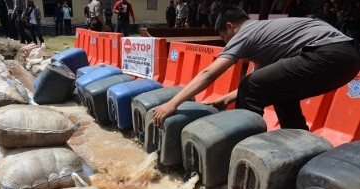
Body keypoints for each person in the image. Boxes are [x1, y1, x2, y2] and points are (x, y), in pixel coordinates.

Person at [153, 6, 360, 131]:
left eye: (224, 38)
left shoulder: (246, 33)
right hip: (347, 58)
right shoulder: (263, 34)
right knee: (279, 92)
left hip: (327, 54)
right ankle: (300, 143)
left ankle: (241, 142)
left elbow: (209, 73)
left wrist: (172, 103)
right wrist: (227, 99)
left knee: (253, 87)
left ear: (230, 26)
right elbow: (258, 79)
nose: (226, 44)